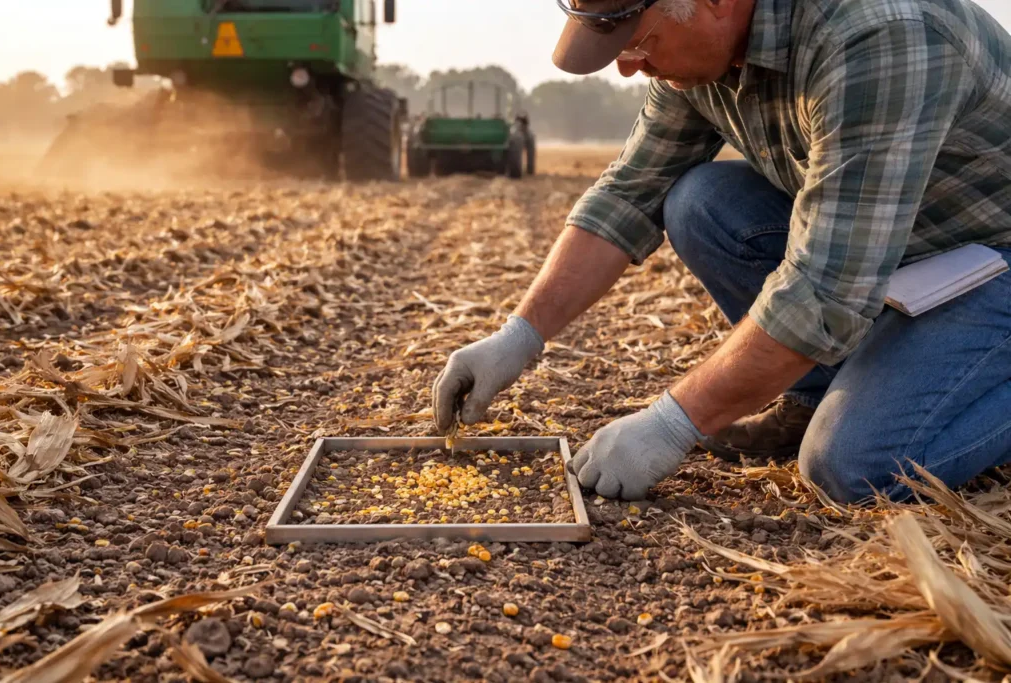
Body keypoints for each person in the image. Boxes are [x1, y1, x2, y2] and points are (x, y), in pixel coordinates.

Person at [432, 0, 1011, 503]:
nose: (628, 66)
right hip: (903, 247)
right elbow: (631, 193)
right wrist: (518, 335)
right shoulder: (701, 59)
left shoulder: (878, 38)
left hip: (992, 258)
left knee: (854, 467)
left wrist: (672, 422)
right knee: (699, 200)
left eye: (639, 41)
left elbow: (826, 289)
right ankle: (813, 394)